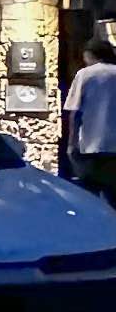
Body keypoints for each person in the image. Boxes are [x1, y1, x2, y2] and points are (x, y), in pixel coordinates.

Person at [64, 37, 116, 204]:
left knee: (89, 199)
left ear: (89, 54)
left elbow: (75, 112)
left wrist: (71, 144)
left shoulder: (85, 74)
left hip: (91, 147)